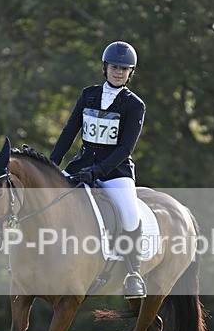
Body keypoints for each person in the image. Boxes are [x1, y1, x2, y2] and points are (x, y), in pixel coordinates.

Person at [50, 41, 147, 299]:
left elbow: (125, 148)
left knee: (129, 214)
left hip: (115, 171)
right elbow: (69, 132)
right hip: (82, 165)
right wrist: (51, 164)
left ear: (130, 73)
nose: (119, 72)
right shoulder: (88, 95)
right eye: (115, 67)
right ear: (105, 67)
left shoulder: (134, 105)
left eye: (124, 69)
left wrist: (98, 170)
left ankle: (133, 273)